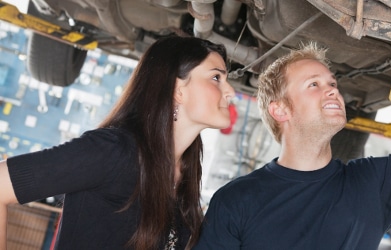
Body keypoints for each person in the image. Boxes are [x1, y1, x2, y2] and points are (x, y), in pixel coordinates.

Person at [194, 42, 391, 249]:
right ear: (281, 110)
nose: (333, 88)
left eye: (332, 82)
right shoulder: (237, 201)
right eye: (314, 84)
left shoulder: (373, 183)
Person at [0, 36, 236, 250]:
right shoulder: (114, 151)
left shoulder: (185, 174)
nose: (230, 92)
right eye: (216, 78)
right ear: (178, 90)